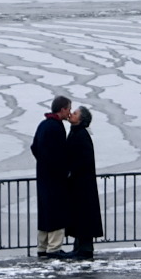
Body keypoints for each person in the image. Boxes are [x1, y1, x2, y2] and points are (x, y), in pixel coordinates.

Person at [30, 95, 72, 259]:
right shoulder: (57, 127)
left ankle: (42, 246)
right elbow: (60, 154)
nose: (69, 112)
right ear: (62, 109)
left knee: (45, 211)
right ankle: (54, 248)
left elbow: (34, 147)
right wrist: (64, 170)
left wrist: (43, 163)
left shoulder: (43, 124)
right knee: (57, 211)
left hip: (43, 175)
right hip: (55, 177)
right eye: (68, 108)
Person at [62, 106, 103, 260]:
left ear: (80, 119)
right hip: (80, 183)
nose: (71, 114)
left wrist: (71, 172)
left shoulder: (80, 135)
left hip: (82, 185)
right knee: (81, 216)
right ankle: (80, 247)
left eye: (75, 113)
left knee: (83, 215)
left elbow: (81, 160)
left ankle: (84, 249)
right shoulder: (77, 133)